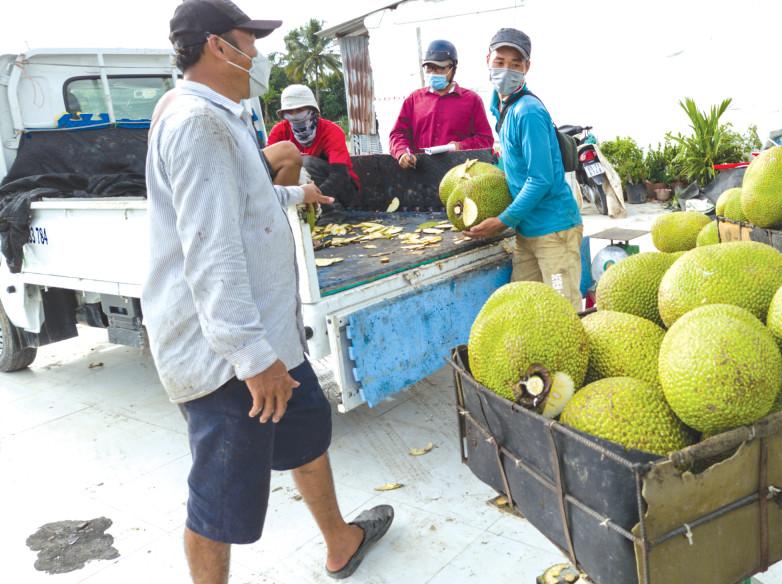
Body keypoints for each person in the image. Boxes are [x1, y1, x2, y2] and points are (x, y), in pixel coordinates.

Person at [143, 1, 393, 582]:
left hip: (272, 337)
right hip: (230, 359)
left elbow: (242, 203)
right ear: (215, 46)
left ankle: (340, 541)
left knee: (306, 429)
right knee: (221, 498)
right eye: (246, 39)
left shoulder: (220, 115)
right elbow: (212, 251)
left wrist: (296, 197)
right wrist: (254, 361)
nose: (256, 52)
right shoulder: (196, 123)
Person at [466, 28, 584, 309]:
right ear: (487, 60)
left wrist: (502, 221)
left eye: (515, 64)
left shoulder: (527, 111)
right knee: (524, 309)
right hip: (527, 231)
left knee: (562, 309)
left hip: (553, 231)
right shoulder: (501, 107)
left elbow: (540, 180)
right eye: (500, 61)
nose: (506, 70)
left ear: (526, 68)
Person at [389, 39, 493, 169]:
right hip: (420, 174)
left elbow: (486, 140)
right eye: (430, 68)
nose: (434, 73)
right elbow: (398, 134)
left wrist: (461, 146)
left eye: (440, 68)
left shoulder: (472, 100)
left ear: (453, 68)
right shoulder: (413, 100)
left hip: (460, 176)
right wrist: (402, 153)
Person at [267, 84, 360, 192]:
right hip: (301, 190)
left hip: (343, 186)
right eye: (289, 111)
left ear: (312, 110)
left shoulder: (331, 131)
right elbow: (268, 167)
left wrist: (315, 197)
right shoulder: (279, 131)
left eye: (299, 110)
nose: (294, 115)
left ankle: (332, 208)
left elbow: (340, 174)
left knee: (305, 162)